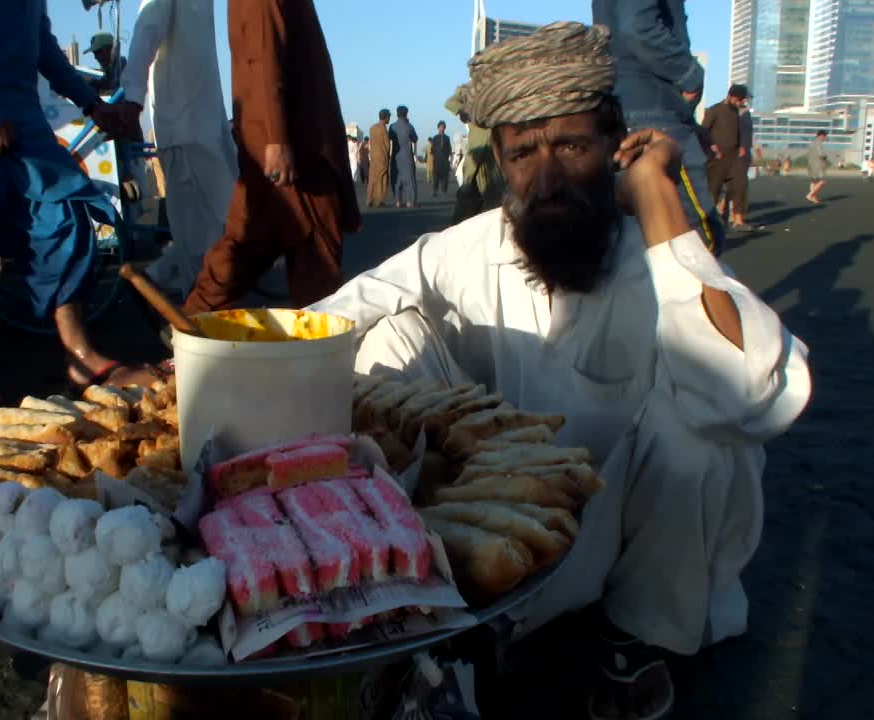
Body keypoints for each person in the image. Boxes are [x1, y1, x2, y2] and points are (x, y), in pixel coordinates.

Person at [310, 22, 809, 720]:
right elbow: (335, 311)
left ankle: (633, 635)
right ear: (502, 163)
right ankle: (437, 606)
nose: (546, 180)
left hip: (629, 535)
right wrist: (211, 364)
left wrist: (659, 194)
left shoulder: (657, 259)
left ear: (614, 144)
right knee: (381, 336)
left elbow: (760, 391)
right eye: (523, 155)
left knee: (704, 422)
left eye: (571, 147)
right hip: (496, 523)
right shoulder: (469, 248)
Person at [0, 0, 156, 406]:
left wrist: (92, 104)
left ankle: (80, 357)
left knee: (67, 216)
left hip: (24, 121)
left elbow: (42, 44)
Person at [179, 0, 360, 315]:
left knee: (249, 246)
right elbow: (261, 58)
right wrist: (275, 138)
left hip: (295, 148)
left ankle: (188, 326)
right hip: (297, 152)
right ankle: (188, 328)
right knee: (312, 257)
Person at [114, 0, 238, 297]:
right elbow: (147, 30)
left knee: (222, 222)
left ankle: (156, 281)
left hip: (208, 124)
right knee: (202, 235)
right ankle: (201, 318)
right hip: (184, 125)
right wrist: (133, 98)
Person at [594, 0, 725, 253]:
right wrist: (690, 76)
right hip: (656, 112)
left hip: (627, 107)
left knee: (636, 246)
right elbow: (637, 26)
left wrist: (688, 120)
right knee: (699, 241)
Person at [445, 86, 505, 223]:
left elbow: (473, 158)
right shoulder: (489, 126)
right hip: (495, 181)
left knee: (461, 223)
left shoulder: (479, 129)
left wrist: (466, 182)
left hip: (486, 182)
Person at [702, 85, 750, 230]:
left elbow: (744, 132)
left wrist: (743, 146)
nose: (739, 102)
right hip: (718, 156)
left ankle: (739, 220)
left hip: (735, 156)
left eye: (742, 100)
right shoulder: (714, 110)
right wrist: (712, 147)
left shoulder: (740, 113)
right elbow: (703, 131)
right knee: (713, 190)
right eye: (738, 99)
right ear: (730, 96)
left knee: (740, 185)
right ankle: (707, 222)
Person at [390, 105, 419, 208]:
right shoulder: (409, 126)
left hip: (396, 156)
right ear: (406, 114)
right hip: (407, 155)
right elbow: (415, 139)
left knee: (397, 179)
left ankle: (398, 201)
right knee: (410, 179)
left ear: (397, 114)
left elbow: (391, 137)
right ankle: (410, 202)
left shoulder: (392, 126)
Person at [367, 109, 392, 207]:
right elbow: (387, 145)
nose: (389, 119)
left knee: (372, 178)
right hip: (382, 157)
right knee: (382, 178)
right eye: (389, 117)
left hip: (373, 157)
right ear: (386, 117)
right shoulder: (384, 128)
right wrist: (388, 154)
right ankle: (380, 200)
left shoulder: (372, 128)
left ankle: (369, 199)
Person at [428, 120, 454, 197]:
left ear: (445, 128)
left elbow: (450, 150)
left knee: (445, 177)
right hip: (437, 161)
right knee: (435, 177)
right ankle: (435, 190)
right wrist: (432, 163)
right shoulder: (435, 138)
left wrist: (450, 162)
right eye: (440, 127)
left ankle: (444, 190)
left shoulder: (447, 138)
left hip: (445, 161)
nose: (442, 128)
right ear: (438, 128)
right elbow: (432, 151)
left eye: (443, 127)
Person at [805, 130, 828, 204]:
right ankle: (810, 195)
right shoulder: (818, 143)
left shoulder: (812, 142)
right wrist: (825, 158)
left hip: (810, 165)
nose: (825, 139)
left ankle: (814, 198)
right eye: (824, 137)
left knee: (813, 182)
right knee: (822, 181)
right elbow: (820, 155)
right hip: (817, 165)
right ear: (821, 136)